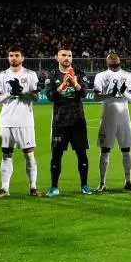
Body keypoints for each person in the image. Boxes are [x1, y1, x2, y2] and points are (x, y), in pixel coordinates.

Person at [0, 45, 41, 197]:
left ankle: (33, 188)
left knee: (29, 154)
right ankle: (4, 188)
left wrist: (21, 92)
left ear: (22, 58)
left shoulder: (31, 75)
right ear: (8, 57)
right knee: (6, 155)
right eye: (11, 55)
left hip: (25, 121)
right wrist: (10, 93)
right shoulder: (1, 76)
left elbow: (36, 98)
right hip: (6, 121)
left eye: (17, 55)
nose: (14, 58)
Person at [45, 45, 92, 197]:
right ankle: (54, 187)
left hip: (78, 121)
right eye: (63, 55)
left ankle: (84, 185)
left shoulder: (80, 73)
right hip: (59, 122)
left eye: (69, 55)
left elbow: (84, 93)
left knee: (82, 154)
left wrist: (75, 83)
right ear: (57, 57)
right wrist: (63, 85)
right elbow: (50, 96)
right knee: (56, 155)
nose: (67, 58)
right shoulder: (52, 75)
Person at [93, 52, 131, 192]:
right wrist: (110, 94)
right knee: (105, 150)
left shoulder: (129, 76)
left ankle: (128, 182)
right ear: (106, 61)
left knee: (126, 149)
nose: (113, 59)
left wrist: (124, 93)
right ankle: (102, 183)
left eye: (115, 57)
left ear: (119, 60)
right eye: (110, 58)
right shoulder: (100, 76)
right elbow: (96, 97)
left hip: (124, 116)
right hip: (107, 116)